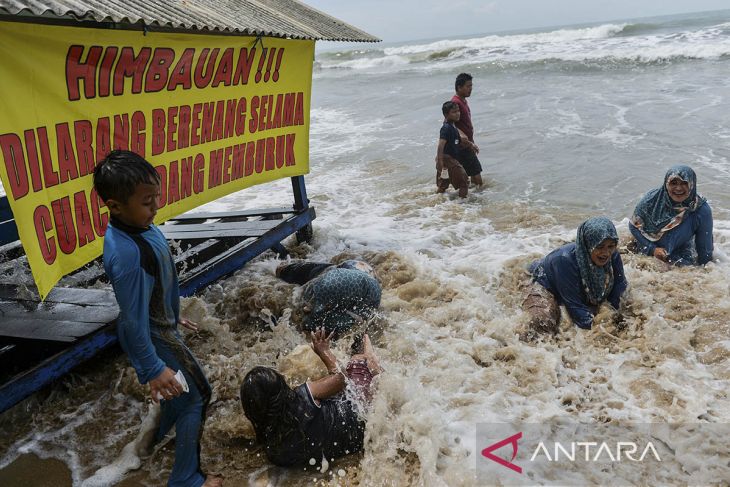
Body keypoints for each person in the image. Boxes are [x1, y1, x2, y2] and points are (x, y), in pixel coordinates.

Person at [94, 150, 221, 487]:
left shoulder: (138, 229)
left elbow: (153, 287)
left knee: (178, 397)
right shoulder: (127, 253)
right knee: (197, 396)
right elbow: (133, 320)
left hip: (161, 327)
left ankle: (145, 446)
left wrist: (172, 312)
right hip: (154, 337)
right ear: (115, 206)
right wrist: (152, 368)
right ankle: (186, 479)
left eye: (157, 198)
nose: (155, 208)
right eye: (147, 202)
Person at [240, 328, 381, 467]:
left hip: (346, 446)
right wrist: (323, 350)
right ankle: (367, 342)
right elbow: (341, 379)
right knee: (356, 362)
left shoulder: (272, 447)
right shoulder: (302, 397)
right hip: (361, 423)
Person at [523, 217, 628, 333]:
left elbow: (619, 287)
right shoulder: (564, 260)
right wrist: (601, 330)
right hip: (539, 281)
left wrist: (614, 314)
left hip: (567, 283)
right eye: (600, 246)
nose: (606, 253)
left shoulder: (613, 255)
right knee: (542, 322)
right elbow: (575, 306)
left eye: (611, 246)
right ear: (588, 245)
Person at [628, 165, 713, 266]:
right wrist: (652, 249)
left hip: (679, 255)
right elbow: (633, 226)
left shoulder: (700, 210)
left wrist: (706, 272)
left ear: (692, 184)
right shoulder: (651, 200)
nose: (678, 188)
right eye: (674, 183)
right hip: (646, 250)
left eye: (684, 183)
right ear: (666, 184)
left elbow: (704, 249)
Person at [276, 259, 381, 336]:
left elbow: (306, 311)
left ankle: (281, 270)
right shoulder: (366, 282)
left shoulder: (322, 282)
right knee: (358, 323)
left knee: (307, 319)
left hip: (336, 277)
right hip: (369, 283)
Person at [451, 72, 483, 186]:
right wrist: (467, 141)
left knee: (468, 179)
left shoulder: (463, 101)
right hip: (462, 146)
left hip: (466, 145)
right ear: (459, 87)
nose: (470, 89)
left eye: (471, 86)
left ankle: (468, 201)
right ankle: (477, 202)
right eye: (468, 86)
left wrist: (471, 142)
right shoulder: (455, 102)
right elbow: (449, 123)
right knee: (477, 178)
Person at [436, 101, 470, 198]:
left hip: (448, 160)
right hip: (448, 159)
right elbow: (440, 145)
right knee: (465, 182)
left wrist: (471, 145)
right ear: (446, 115)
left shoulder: (453, 127)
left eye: (458, 111)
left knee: (443, 184)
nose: (458, 113)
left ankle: (437, 202)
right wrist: (440, 161)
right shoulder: (446, 128)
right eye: (454, 112)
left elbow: (459, 141)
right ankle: (462, 204)